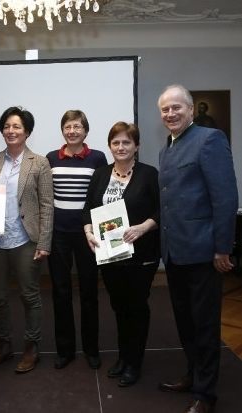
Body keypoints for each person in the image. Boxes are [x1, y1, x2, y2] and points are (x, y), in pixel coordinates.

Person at [157, 84, 238, 413]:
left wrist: (222, 248)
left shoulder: (209, 139)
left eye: (177, 107)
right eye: (165, 109)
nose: (171, 113)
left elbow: (226, 197)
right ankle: (193, 375)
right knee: (186, 323)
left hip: (204, 252)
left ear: (191, 109)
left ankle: (205, 395)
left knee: (204, 326)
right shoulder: (166, 149)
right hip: (174, 253)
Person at [0, 106, 54, 374]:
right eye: (6, 126)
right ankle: (4, 345)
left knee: (30, 296)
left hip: (25, 240)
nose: (11, 131)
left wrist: (44, 242)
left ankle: (31, 347)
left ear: (27, 131)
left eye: (16, 126)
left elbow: (47, 205)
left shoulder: (39, 162)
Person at [83, 121, 160, 387]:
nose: (121, 147)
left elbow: (162, 209)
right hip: (110, 255)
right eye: (115, 142)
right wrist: (88, 232)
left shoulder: (149, 174)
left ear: (136, 146)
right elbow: (88, 208)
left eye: (127, 142)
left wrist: (143, 227)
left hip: (141, 254)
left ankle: (134, 362)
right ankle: (123, 357)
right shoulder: (100, 174)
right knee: (119, 307)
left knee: (136, 307)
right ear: (109, 146)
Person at [46, 110, 108, 370]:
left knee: (89, 291)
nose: (72, 131)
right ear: (62, 130)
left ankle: (91, 349)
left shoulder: (98, 158)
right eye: (68, 127)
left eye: (77, 127)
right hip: (58, 234)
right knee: (60, 292)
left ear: (86, 130)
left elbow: (101, 195)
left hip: (87, 234)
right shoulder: (51, 158)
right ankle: (65, 350)